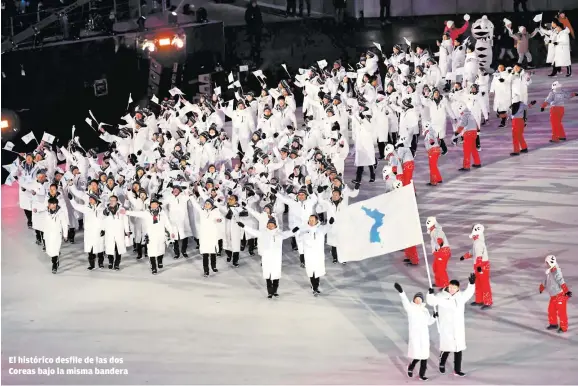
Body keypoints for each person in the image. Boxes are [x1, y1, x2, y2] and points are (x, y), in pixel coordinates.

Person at [426, 273, 477, 376]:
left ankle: (457, 369)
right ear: (448, 286)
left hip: (458, 327)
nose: (452, 289)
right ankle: (442, 363)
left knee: (458, 349)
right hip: (447, 326)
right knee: (447, 348)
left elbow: (469, 293)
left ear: (458, 288)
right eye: (451, 287)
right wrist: (429, 294)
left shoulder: (461, 296)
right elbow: (432, 302)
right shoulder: (441, 296)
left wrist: (471, 284)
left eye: (454, 288)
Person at [238, 218, 296, 298]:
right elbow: (253, 231)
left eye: (272, 224)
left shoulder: (279, 234)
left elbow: (289, 233)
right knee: (267, 275)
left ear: (275, 225)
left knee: (276, 275)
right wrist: (244, 226)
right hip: (267, 257)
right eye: (269, 224)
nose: (270, 226)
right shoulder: (263, 233)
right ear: (267, 225)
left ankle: (275, 291)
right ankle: (269, 292)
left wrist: (295, 230)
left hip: (276, 258)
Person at [394, 283, 436, 381]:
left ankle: (422, 375)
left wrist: (434, 317)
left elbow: (429, 322)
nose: (418, 300)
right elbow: (405, 302)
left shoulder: (425, 310)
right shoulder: (410, 309)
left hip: (424, 335)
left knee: (424, 356)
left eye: (419, 299)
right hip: (415, 335)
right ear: (414, 299)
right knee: (417, 355)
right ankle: (411, 366)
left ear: (422, 301)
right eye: (416, 299)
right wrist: (401, 292)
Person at [123, 199, 175, 275]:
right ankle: (154, 267)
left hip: (160, 235)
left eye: (155, 204)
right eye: (152, 204)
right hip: (151, 236)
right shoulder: (147, 213)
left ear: (158, 205)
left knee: (161, 250)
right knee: (151, 252)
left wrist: (171, 232)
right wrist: (126, 212)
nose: (153, 206)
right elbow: (137, 213)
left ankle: (160, 261)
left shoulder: (162, 214)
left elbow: (167, 224)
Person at [69, 191, 106, 270]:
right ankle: (92, 264)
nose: (90, 200)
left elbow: (104, 220)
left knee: (100, 249)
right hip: (89, 232)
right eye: (90, 199)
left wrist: (104, 229)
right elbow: (76, 206)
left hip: (98, 232)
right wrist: (71, 199)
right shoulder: (86, 208)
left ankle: (101, 263)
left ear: (96, 200)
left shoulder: (102, 208)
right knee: (91, 249)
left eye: (92, 199)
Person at [460, 224, 492, 309]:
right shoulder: (476, 242)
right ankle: (479, 300)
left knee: (484, 284)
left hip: (482, 266)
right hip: (479, 265)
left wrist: (479, 266)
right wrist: (465, 256)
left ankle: (487, 301)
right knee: (478, 283)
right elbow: (473, 252)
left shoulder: (479, 242)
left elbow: (479, 255)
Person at [189, 196, 222, 277]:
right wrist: (191, 196)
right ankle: (206, 270)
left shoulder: (215, 211)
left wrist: (219, 220)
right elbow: (195, 204)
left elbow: (219, 218)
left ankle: (213, 266)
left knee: (213, 252)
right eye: (205, 203)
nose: (206, 205)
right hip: (204, 236)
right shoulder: (202, 211)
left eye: (208, 204)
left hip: (212, 235)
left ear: (211, 205)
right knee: (205, 254)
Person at [298, 214, 329, 296]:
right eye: (310, 220)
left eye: (312, 220)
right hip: (309, 255)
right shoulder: (305, 229)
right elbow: (299, 237)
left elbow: (329, 226)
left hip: (318, 255)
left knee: (317, 272)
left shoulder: (321, 229)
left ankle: (316, 286)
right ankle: (314, 288)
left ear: (316, 221)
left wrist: (331, 222)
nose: (311, 222)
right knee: (311, 271)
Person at [539, 255, 572, 333]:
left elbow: (561, 281)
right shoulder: (550, 271)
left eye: (547, 262)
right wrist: (541, 287)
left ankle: (564, 327)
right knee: (551, 310)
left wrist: (566, 291)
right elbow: (545, 281)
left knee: (562, 313)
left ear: (551, 262)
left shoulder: (556, 271)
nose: (546, 264)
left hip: (560, 295)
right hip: (553, 296)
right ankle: (553, 324)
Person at [101, 195, 130, 271]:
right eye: (110, 200)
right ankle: (110, 262)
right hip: (109, 232)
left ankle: (117, 263)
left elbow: (125, 221)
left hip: (118, 232)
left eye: (113, 200)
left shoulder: (121, 209)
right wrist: (102, 229)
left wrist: (127, 231)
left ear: (117, 201)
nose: (112, 202)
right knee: (110, 248)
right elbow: (102, 220)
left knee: (118, 249)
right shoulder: (106, 210)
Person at [42, 197, 69, 274]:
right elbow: (44, 223)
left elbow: (64, 224)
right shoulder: (46, 212)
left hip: (56, 234)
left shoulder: (61, 213)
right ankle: (55, 260)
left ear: (55, 204)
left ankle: (54, 264)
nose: (49, 205)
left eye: (51, 204)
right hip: (48, 234)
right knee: (50, 251)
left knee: (55, 250)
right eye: (49, 204)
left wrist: (65, 235)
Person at [454, 103, 481, 171]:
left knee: (467, 150)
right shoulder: (471, 115)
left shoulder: (465, 115)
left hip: (468, 134)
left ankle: (466, 166)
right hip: (474, 133)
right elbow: (476, 124)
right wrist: (477, 131)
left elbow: (463, 124)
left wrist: (457, 132)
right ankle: (477, 162)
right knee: (473, 149)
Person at [426, 217, 450, 288]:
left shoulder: (437, 231)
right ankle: (439, 283)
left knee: (441, 269)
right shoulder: (433, 231)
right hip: (439, 252)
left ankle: (445, 285)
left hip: (443, 251)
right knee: (436, 268)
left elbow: (439, 237)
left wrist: (440, 241)